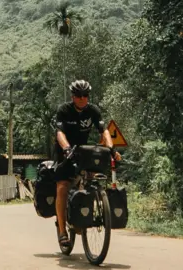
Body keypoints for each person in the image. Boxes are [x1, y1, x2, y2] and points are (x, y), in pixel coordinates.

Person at [54, 79, 122, 247]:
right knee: (62, 186)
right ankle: (62, 231)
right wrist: (67, 149)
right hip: (65, 150)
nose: (82, 98)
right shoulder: (64, 110)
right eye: (79, 95)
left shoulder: (93, 111)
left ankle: (84, 214)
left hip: (84, 150)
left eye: (85, 95)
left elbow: (104, 131)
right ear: (73, 96)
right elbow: (60, 132)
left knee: (90, 180)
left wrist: (112, 150)